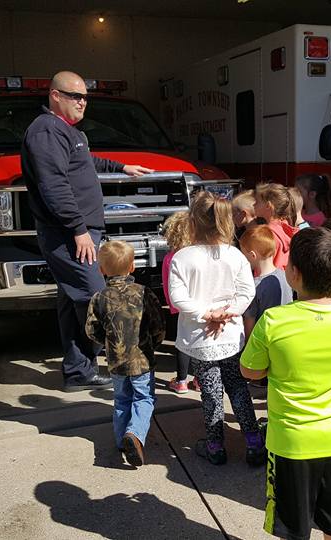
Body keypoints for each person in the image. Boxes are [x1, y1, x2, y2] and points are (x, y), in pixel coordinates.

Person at [239, 227, 331, 540]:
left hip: (290, 443)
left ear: (294, 274)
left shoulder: (274, 320)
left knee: (293, 529)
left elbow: (250, 370)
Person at [21, 70, 154, 391]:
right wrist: (78, 229)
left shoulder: (68, 132)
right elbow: (54, 185)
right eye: (75, 96)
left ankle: (79, 373)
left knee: (72, 302)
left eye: (85, 97)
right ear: (55, 96)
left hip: (79, 232)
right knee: (97, 299)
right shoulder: (46, 132)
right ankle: (123, 366)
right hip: (68, 236)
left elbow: (84, 160)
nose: (82, 102)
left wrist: (121, 167)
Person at [167, 192, 264, 466]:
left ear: (193, 222)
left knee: (210, 392)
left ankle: (215, 445)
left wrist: (206, 314)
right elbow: (247, 292)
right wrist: (227, 313)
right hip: (230, 334)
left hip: (201, 338)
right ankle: (254, 443)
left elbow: (177, 297)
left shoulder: (182, 258)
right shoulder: (235, 255)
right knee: (238, 387)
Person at [84, 241, 166, 467]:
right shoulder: (143, 293)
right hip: (142, 359)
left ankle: (122, 440)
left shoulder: (99, 298)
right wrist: (154, 344)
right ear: (132, 267)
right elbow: (158, 324)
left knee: (121, 400)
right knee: (144, 397)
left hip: (116, 360)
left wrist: (110, 342)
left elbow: (91, 330)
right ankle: (135, 435)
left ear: (101, 269)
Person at [161, 212, 197, 394]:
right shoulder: (199, 255)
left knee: (183, 343)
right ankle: (199, 380)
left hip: (181, 308)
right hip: (200, 306)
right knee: (199, 342)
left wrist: (172, 306)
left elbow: (167, 285)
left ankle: (181, 381)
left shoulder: (170, 258)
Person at [240, 225, 294, 339]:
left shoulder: (253, 286)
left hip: (263, 341)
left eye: (243, 255)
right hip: (285, 336)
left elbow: (249, 324)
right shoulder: (285, 276)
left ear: (252, 255)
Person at [254, 183, 298, 270]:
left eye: (257, 202)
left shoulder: (267, 233)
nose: (253, 205)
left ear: (268, 206)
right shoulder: (286, 229)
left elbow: (262, 265)